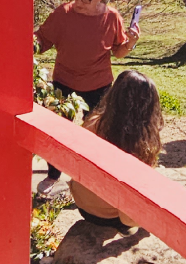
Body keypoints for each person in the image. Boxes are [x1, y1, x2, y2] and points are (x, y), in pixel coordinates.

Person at [34, 0, 140, 194]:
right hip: (64, 83)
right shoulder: (63, 13)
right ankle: (53, 175)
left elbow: (118, 52)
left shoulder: (112, 17)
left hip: (98, 85)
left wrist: (131, 42)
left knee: (99, 134)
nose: (79, 3)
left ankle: (92, 183)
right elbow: (40, 41)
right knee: (58, 132)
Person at [69, 69, 163, 230]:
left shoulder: (94, 121)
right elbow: (129, 210)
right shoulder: (138, 144)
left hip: (81, 202)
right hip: (111, 216)